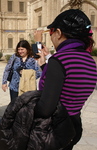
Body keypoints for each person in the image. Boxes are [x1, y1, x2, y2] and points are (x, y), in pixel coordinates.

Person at [34, 9, 97, 149]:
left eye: (51, 32)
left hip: (55, 130)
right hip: (73, 126)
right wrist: (46, 65)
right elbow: (67, 84)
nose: (51, 37)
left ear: (59, 33)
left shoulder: (60, 60)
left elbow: (46, 108)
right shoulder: (90, 60)